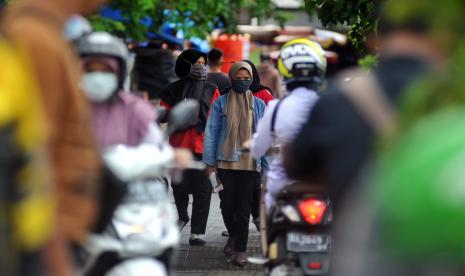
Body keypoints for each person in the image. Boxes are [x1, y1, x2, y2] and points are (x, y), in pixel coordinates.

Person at [284, 12, 438, 210]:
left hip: (360, 235)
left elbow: (298, 163)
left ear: (373, 41)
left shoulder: (338, 98)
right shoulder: (453, 99)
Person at [2, 1, 106, 275]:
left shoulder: (49, 32)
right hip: (39, 242)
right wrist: (58, 260)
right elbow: (39, 160)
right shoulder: (34, 37)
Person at [251, 38, 326, 211]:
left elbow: (258, 148)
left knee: (268, 201)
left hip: (283, 183)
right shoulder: (331, 103)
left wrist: (251, 145)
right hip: (323, 181)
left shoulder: (277, 107)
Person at [203, 61, 266, 266]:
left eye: (246, 78)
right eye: (238, 78)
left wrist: (267, 166)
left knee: (244, 208)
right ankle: (233, 235)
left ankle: (241, 249)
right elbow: (211, 134)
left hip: (250, 164)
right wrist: (210, 164)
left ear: (251, 79)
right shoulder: (220, 103)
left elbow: (264, 137)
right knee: (227, 205)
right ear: (231, 78)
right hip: (224, 164)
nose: (242, 82)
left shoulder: (259, 104)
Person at [160, 49, 220, 246]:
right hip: (179, 145)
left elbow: (216, 117)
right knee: (179, 187)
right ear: (185, 64)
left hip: (203, 144)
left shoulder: (212, 88)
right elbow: (163, 114)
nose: (200, 67)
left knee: (203, 190)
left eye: (203, 63)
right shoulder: (172, 89)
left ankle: (198, 232)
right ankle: (182, 216)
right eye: (196, 63)